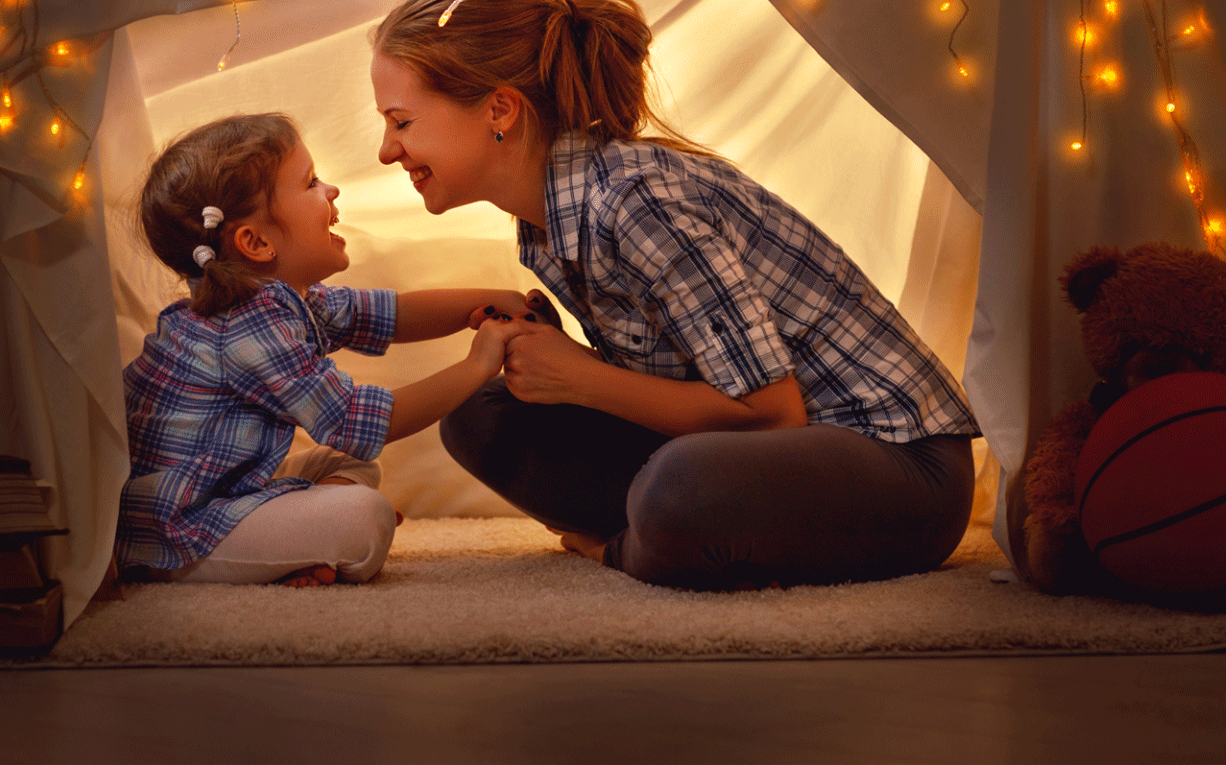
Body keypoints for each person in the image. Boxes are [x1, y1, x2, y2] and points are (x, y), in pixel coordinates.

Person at [370, 0, 983, 590]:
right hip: (764, 458)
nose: (386, 148)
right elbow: (678, 374)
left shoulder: (638, 202)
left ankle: (630, 547)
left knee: (680, 489)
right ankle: (701, 542)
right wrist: (560, 359)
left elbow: (772, 416)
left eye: (401, 122)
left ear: (499, 110)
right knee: (480, 416)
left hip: (899, 468)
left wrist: (583, 379)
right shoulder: (549, 219)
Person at [121, 113, 533, 587]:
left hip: (221, 489)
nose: (331, 190)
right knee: (365, 518)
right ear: (255, 242)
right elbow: (355, 421)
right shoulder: (244, 324)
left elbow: (387, 314)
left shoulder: (278, 301)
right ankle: (287, 544)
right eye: (311, 181)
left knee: (349, 466)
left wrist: (483, 303)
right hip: (178, 528)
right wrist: (479, 365)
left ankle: (298, 545)